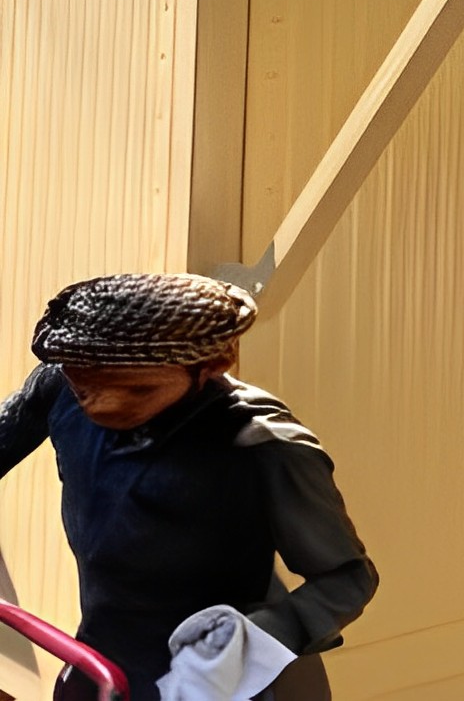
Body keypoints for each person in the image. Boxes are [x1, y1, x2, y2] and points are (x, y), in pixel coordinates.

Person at [0, 272, 378, 699]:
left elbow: (347, 579)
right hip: (104, 662)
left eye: (138, 390)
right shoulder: (59, 387)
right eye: (84, 388)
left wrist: (250, 640)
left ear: (211, 367)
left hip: (230, 681)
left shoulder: (265, 445)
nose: (103, 404)